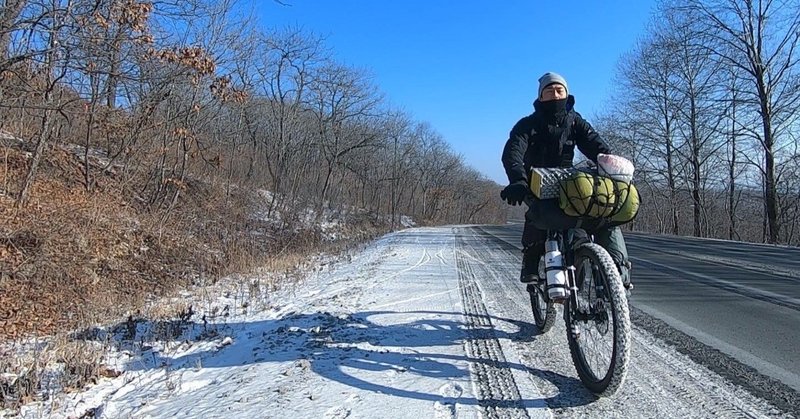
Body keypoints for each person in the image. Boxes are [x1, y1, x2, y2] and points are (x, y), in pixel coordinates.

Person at [500, 72, 631, 288]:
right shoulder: (526, 125)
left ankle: (591, 272)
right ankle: (531, 262)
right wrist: (518, 180)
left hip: (569, 184)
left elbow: (596, 146)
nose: (555, 95)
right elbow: (513, 153)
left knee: (580, 227)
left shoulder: (575, 121)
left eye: (559, 90)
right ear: (540, 97)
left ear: (567, 94)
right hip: (535, 181)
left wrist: (612, 169)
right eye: (549, 91)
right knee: (537, 219)